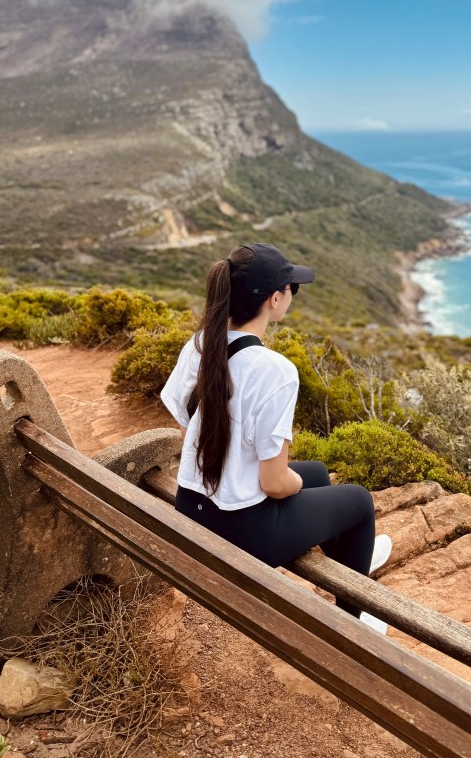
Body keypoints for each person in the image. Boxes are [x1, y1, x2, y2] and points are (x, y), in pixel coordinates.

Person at [160, 242, 392, 632]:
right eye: (291, 288)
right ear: (274, 299)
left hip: (191, 504)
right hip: (238, 532)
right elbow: (275, 483)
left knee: (317, 471)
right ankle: (352, 624)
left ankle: (353, 561)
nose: (292, 295)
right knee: (358, 501)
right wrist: (292, 481)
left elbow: (185, 415)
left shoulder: (202, 343)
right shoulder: (275, 370)